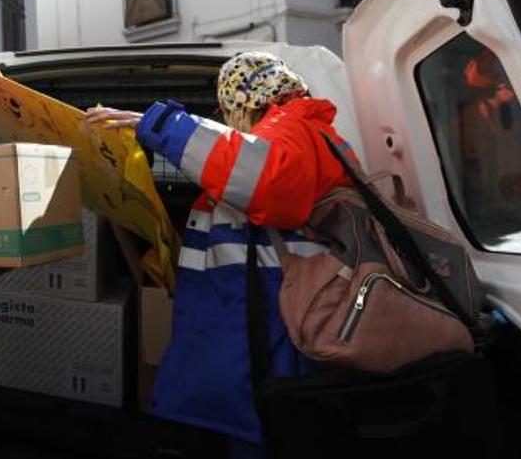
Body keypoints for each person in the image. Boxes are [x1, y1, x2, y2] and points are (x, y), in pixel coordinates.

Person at [87, 51, 353, 458]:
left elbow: (266, 180)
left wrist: (159, 125)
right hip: (271, 336)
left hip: (274, 342)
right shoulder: (307, 131)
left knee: (271, 434)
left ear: (241, 102)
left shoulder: (292, 124)